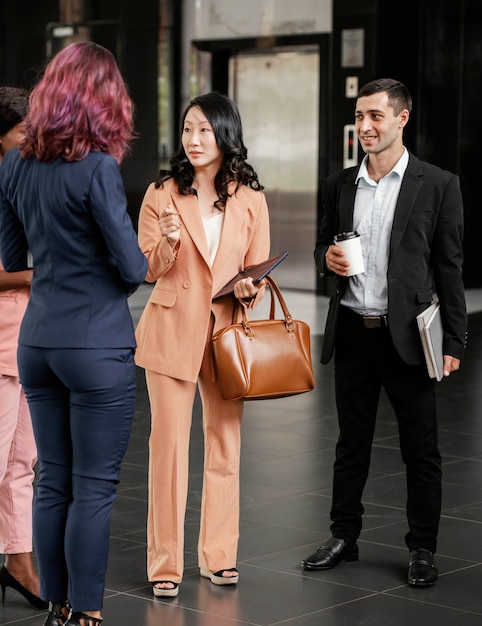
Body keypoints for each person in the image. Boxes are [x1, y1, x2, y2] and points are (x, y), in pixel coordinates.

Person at [0, 43, 148, 626]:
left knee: (52, 480)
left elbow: (13, 255)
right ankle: (85, 611)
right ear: (104, 101)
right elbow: (133, 269)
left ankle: (58, 607)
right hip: (97, 346)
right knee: (94, 486)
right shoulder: (99, 169)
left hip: (37, 344)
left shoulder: (12, 165)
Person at [301, 78, 467, 587]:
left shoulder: (437, 185)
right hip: (353, 331)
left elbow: (449, 267)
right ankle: (343, 535)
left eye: (376, 116)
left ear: (402, 118)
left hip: (409, 338)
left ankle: (422, 548)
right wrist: (326, 262)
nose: (365, 127)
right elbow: (322, 252)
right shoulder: (339, 184)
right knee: (351, 443)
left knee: (421, 449)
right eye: (359, 117)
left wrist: (455, 342)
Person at [135, 91, 270, 597]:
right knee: (167, 451)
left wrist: (248, 289)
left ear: (225, 135)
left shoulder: (251, 199)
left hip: (225, 334)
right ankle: (165, 565)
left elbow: (254, 270)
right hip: (171, 330)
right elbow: (147, 269)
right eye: (188, 129)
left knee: (225, 447)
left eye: (204, 131)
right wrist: (168, 239)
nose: (193, 139)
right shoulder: (160, 193)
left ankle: (219, 556)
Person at [0, 86, 48, 611]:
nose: (33, 140)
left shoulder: (25, 183)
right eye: (22, 133)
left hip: (28, 341)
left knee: (23, 460)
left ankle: (19, 558)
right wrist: (46, 272)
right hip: (1, 339)